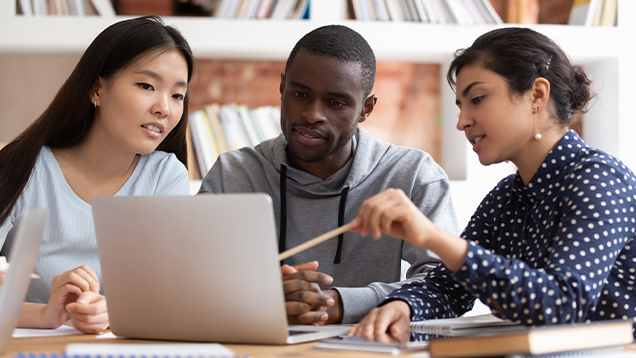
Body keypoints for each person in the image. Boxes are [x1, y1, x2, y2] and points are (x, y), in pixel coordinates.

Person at [348, 27, 636, 342]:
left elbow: (562, 304)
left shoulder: (600, 178)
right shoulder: (505, 198)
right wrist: (404, 307)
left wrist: (433, 236)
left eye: (478, 99)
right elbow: (449, 288)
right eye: (460, 105)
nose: (462, 122)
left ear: (537, 95)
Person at [198, 24, 459, 325]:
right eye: (300, 94)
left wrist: (339, 304)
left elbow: (447, 287)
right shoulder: (232, 175)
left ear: (366, 109)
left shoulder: (413, 176)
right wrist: (259, 297)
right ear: (282, 88)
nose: (313, 115)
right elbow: (189, 281)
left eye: (335, 103)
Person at [0, 16, 194, 333]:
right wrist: (47, 314)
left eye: (177, 95)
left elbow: (170, 295)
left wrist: (116, 312)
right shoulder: (24, 169)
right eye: (147, 86)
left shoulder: (165, 176)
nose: (165, 108)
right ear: (96, 89)